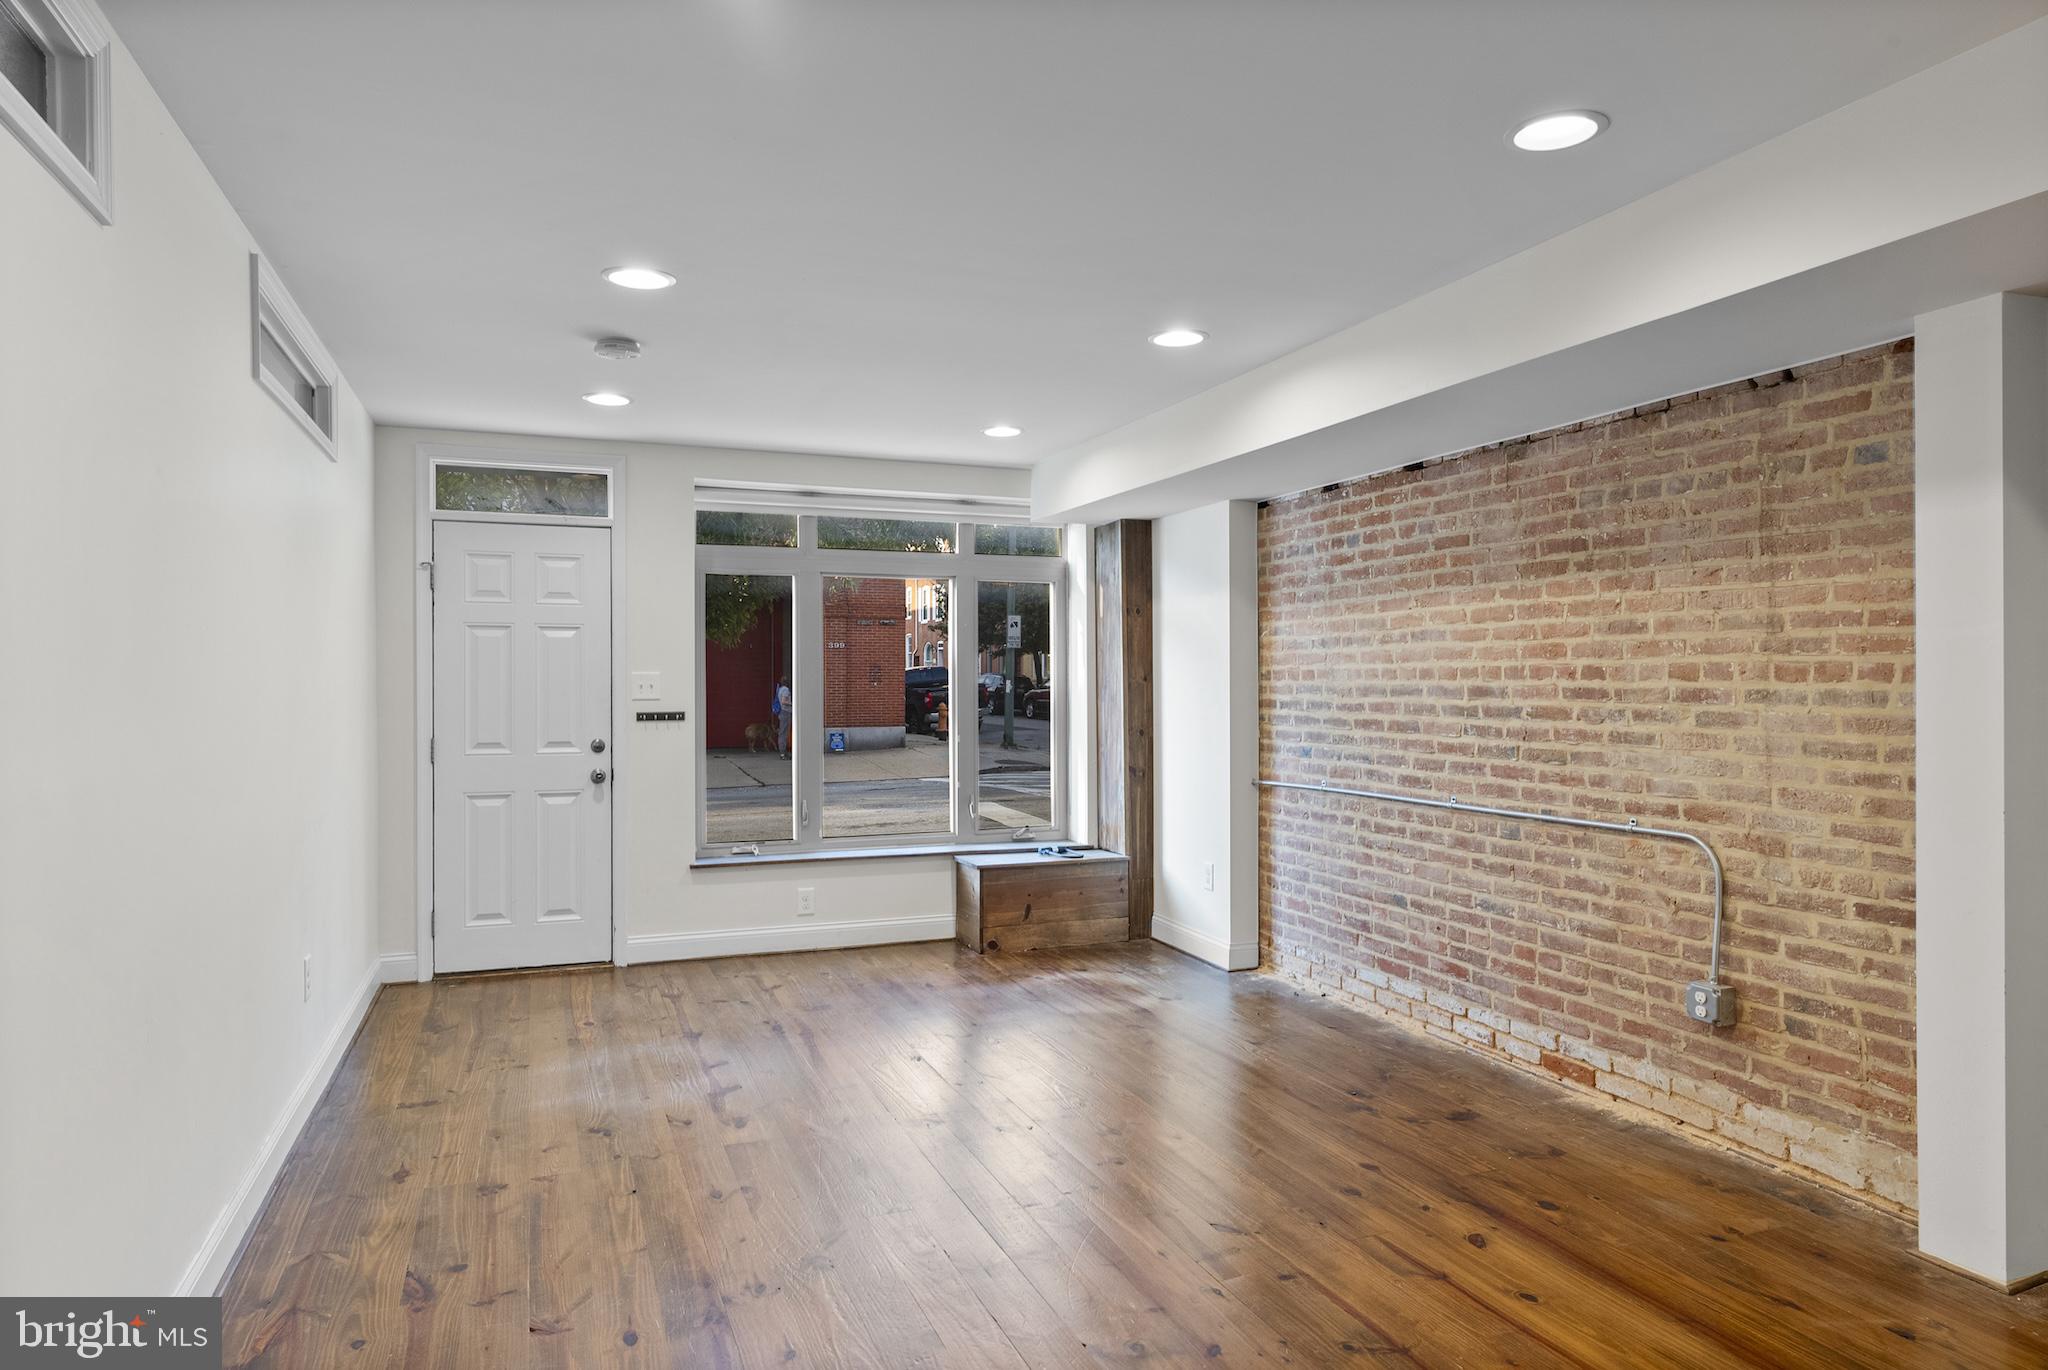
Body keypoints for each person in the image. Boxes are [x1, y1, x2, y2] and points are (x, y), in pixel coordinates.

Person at [774, 676, 792, 759]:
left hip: (782, 712)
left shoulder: (780, 689)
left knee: (782, 732)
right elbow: (784, 701)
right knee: (784, 733)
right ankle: (783, 753)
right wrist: (793, 703)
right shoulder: (785, 690)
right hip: (785, 712)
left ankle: (783, 752)